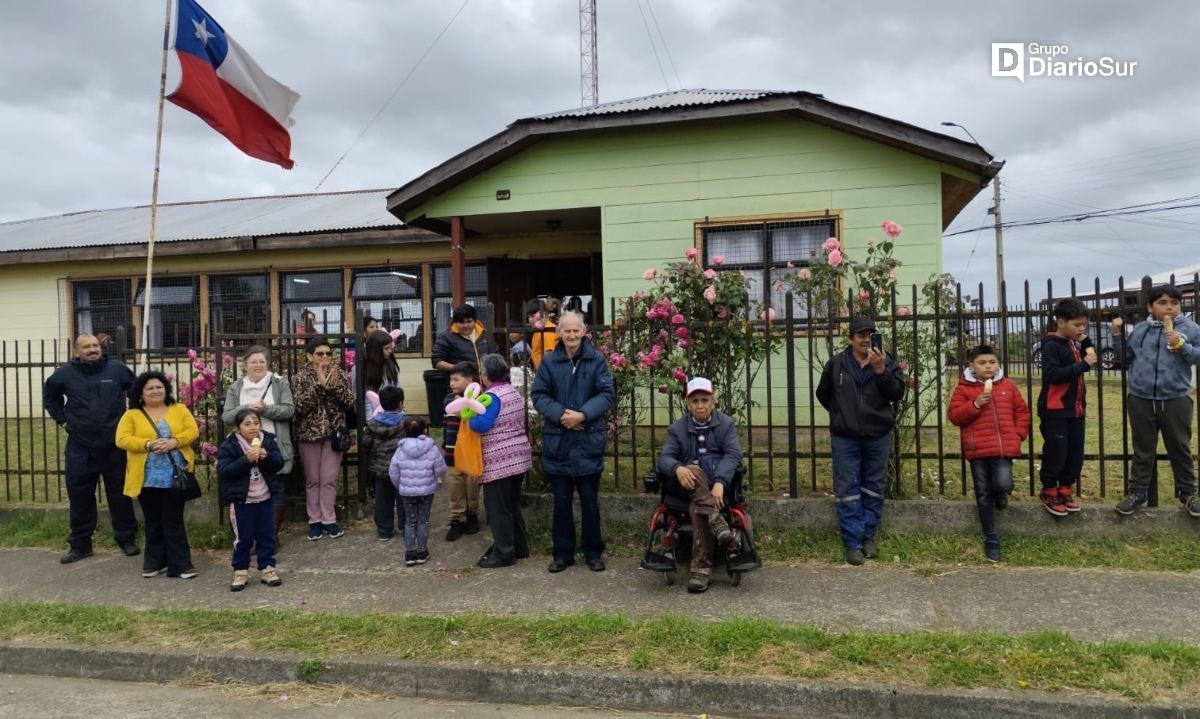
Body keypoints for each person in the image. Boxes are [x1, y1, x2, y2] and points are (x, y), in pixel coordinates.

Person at [815, 317, 906, 566]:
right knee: (847, 490)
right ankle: (852, 542)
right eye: (860, 335)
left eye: (870, 334)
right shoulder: (836, 364)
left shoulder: (886, 361)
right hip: (845, 438)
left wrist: (881, 372)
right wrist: (840, 414)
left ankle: (868, 537)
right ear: (850, 339)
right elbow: (823, 394)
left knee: (873, 487)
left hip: (878, 436)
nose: (866, 339)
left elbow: (897, 393)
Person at [43, 333, 139, 564]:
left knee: (119, 494)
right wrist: (64, 421)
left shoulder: (116, 369)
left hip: (114, 444)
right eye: (86, 347)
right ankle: (81, 544)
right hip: (80, 446)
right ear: (76, 352)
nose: (93, 350)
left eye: (95, 345)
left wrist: (131, 422)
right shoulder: (64, 374)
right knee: (80, 496)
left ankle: (126, 539)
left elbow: (136, 392)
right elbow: (50, 397)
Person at [531, 310, 614, 573]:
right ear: (558, 333)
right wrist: (562, 415)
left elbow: (606, 393)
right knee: (561, 502)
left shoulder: (597, 360)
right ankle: (562, 553)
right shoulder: (549, 362)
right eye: (566, 330)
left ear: (584, 331)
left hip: (588, 439)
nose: (571, 335)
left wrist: (583, 415)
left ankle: (593, 552)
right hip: (559, 441)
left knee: (590, 502)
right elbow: (540, 395)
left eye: (576, 330)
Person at [1112, 285, 1200, 516]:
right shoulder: (1141, 330)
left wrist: (1183, 346)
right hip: (1140, 397)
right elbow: (1126, 358)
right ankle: (1138, 492)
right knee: (1143, 448)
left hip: (1175, 398)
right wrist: (1115, 335)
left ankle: (1188, 493)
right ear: (1150, 307)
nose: (1169, 307)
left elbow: (1197, 355)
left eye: (1174, 302)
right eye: (1162, 302)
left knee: (1179, 447)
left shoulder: (1190, 328)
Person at [656, 377, 744, 594]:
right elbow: (664, 458)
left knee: (698, 509)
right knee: (692, 470)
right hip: (685, 487)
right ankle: (717, 521)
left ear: (713, 402)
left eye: (705, 400)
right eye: (695, 401)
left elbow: (733, 455)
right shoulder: (677, 429)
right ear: (688, 404)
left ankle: (701, 570)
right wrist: (678, 468)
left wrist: (721, 482)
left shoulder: (726, 424)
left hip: (714, 486)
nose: (700, 405)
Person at [947, 345, 1031, 562]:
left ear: (998, 364)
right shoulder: (964, 389)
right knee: (983, 494)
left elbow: (1022, 412)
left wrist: (1018, 434)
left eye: (992, 362)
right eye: (982, 363)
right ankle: (991, 536)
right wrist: (975, 404)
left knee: (1003, 483)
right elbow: (955, 416)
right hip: (978, 451)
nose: (988, 367)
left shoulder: (1008, 386)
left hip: (1003, 449)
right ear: (972, 366)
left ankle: (1001, 494)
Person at [115, 371, 199, 580]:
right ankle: (155, 561)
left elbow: (193, 431)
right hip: (146, 477)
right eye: (150, 388)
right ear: (141, 393)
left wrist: (175, 441)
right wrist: (147, 444)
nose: (155, 391)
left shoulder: (178, 409)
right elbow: (122, 439)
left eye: (159, 387)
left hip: (174, 475)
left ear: (166, 389)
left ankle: (180, 564)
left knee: (173, 520)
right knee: (152, 521)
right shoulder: (132, 415)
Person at [221, 346, 294, 547]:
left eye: (262, 361)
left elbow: (289, 410)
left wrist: (266, 409)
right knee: (249, 491)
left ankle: (271, 538)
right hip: (243, 448)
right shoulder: (237, 388)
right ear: (245, 365)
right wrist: (246, 409)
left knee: (275, 489)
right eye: (253, 361)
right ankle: (249, 539)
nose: (258, 365)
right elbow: (227, 415)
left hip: (272, 444)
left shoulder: (279, 383)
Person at [468, 353, 533, 568]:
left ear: (486, 375)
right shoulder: (512, 392)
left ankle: (504, 552)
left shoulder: (492, 397)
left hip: (500, 461)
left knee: (498, 508)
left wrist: (469, 416)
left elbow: (481, 425)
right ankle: (520, 546)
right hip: (518, 457)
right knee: (511, 505)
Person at [1036, 298, 1097, 516]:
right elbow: (1053, 376)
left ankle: (1065, 489)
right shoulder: (1051, 345)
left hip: (1076, 410)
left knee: (1074, 454)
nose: (1081, 329)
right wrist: (1083, 364)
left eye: (1084, 325)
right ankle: (1049, 490)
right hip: (1055, 411)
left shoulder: (1072, 343)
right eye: (1077, 325)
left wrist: (1085, 342)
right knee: (1056, 452)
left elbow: (1080, 363)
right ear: (1061, 322)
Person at [291, 337, 354, 541]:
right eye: (320, 353)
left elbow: (350, 403)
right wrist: (319, 386)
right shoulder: (300, 377)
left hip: (333, 434)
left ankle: (329, 519)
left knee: (328, 479)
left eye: (328, 353)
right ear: (309, 356)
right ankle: (314, 520)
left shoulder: (339, 374)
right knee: (313, 479)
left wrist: (334, 387)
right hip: (309, 434)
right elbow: (299, 406)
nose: (325, 357)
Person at [217, 408, 286, 591]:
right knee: (243, 538)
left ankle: (268, 568)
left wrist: (266, 458)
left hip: (265, 498)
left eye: (256, 423)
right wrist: (245, 460)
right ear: (238, 429)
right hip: (242, 501)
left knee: (267, 535)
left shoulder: (268, 441)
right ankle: (240, 571)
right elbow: (224, 471)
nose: (253, 427)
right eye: (247, 424)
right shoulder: (230, 445)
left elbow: (278, 464)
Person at [389, 416, 447, 566]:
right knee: (423, 521)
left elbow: (393, 471)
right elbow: (440, 469)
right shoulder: (432, 448)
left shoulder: (400, 449)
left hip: (407, 492)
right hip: (426, 491)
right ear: (425, 430)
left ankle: (409, 553)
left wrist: (400, 485)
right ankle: (422, 551)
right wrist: (433, 478)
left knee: (409, 521)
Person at [362, 386, 407, 541]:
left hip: (381, 469)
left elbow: (366, 444)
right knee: (404, 498)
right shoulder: (406, 422)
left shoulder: (372, 424)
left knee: (383, 499)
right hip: (402, 469)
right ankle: (406, 525)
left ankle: (384, 529)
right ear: (401, 403)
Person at [443, 361, 482, 541]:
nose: (452, 383)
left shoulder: (480, 399)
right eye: (451, 379)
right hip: (452, 452)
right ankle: (457, 519)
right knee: (455, 487)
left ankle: (472, 515)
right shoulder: (449, 399)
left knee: (472, 486)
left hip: (470, 452)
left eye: (456, 379)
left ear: (470, 381)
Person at [354, 330, 401, 418]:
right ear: (375, 350)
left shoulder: (390, 364)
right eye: (386, 348)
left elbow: (397, 387)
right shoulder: (360, 369)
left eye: (391, 348)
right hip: (372, 417)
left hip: (393, 415)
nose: (390, 351)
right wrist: (369, 420)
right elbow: (360, 399)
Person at [431, 304, 490, 371]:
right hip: (459, 380)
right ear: (455, 323)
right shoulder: (445, 337)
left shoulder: (486, 336)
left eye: (469, 321)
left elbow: (496, 358)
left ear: (475, 321)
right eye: (461, 322)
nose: (465, 325)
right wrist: (456, 368)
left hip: (485, 380)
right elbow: (436, 361)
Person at [525, 299, 558, 369]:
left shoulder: (548, 330)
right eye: (528, 317)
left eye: (532, 316)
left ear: (544, 313)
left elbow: (550, 356)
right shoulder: (539, 329)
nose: (530, 319)